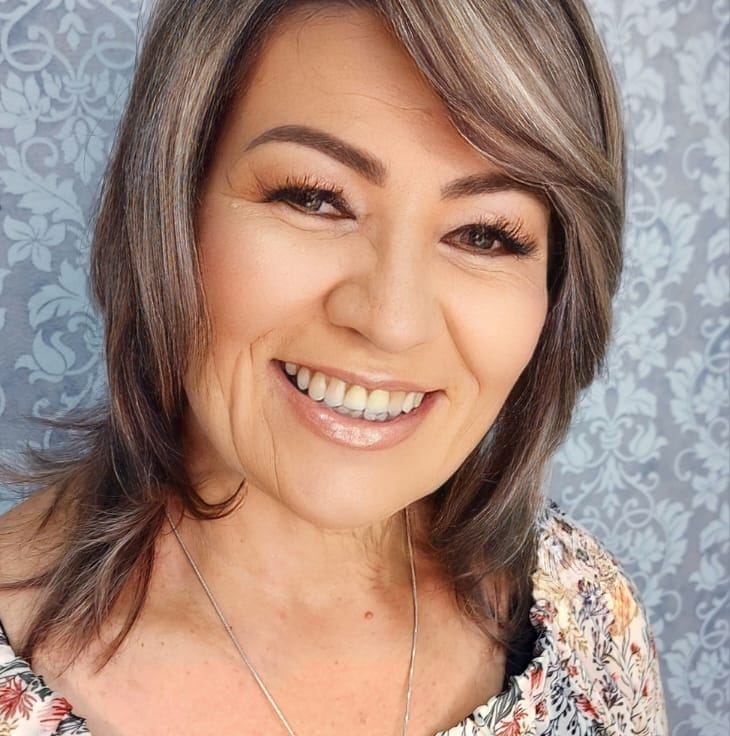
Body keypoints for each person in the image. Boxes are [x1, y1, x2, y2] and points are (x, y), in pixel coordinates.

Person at [0, 1, 669, 734]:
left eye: (484, 234)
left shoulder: (586, 614)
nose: (391, 320)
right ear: (167, 214)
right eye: (315, 199)